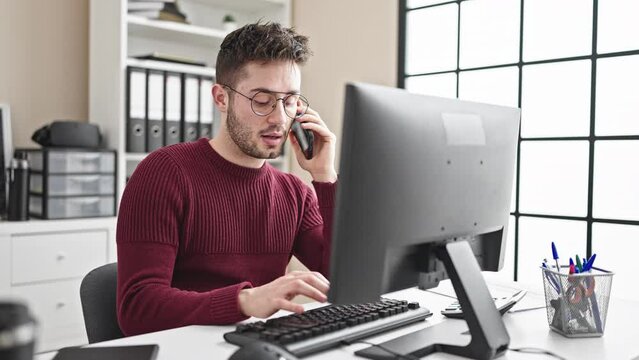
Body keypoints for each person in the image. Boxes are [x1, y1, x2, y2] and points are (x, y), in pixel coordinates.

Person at [116, 22, 338, 336]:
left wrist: (324, 177)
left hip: (256, 349)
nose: (279, 118)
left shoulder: (294, 193)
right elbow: (137, 307)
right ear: (221, 98)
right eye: (262, 100)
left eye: (290, 102)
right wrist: (245, 301)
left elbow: (344, 277)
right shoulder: (164, 172)